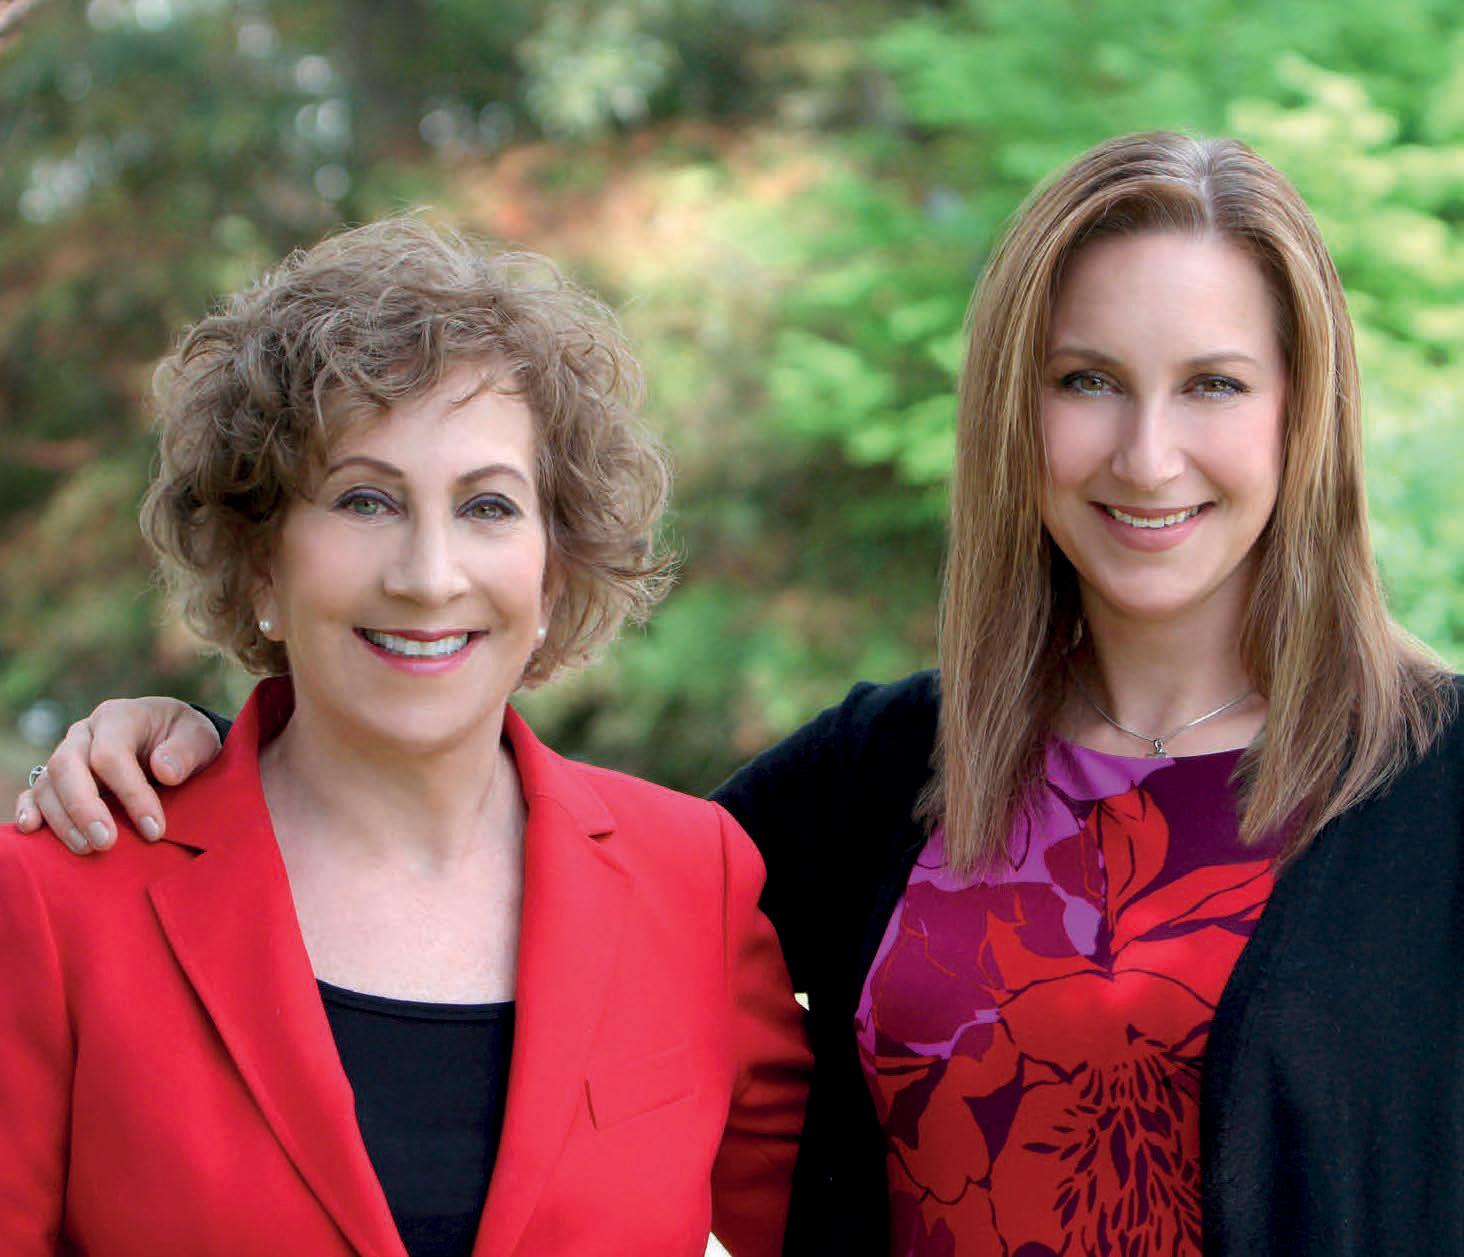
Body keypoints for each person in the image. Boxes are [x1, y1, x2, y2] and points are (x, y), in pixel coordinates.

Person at [16, 133, 1462, 1257]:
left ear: (1305, 412)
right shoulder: (879, 776)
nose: (1146, 454)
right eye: (1086, 380)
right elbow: (519, 860)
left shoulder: (1442, 789)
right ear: (1013, 411)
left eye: (1215, 384)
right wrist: (191, 740)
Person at [0, 217, 810, 1256]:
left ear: (553, 572)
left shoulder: (695, 880)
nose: (429, 576)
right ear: (261, 563)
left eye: (488, 507)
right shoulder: (61, 897)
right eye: (366, 500)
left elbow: (865, 1218)